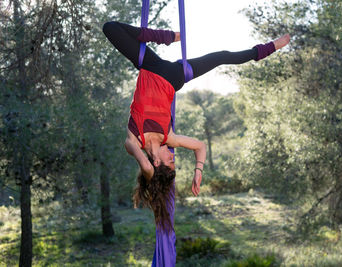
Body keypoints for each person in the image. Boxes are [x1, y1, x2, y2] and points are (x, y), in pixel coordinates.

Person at [102, 21, 290, 230]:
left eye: (170, 162)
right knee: (221, 56)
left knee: (109, 28)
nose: (173, 156)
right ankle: (269, 48)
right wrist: (198, 171)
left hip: (150, 65)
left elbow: (145, 167)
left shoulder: (134, 142)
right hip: (175, 77)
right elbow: (200, 145)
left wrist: (154, 186)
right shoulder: (169, 137)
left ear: (156, 163)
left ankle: (165, 36)